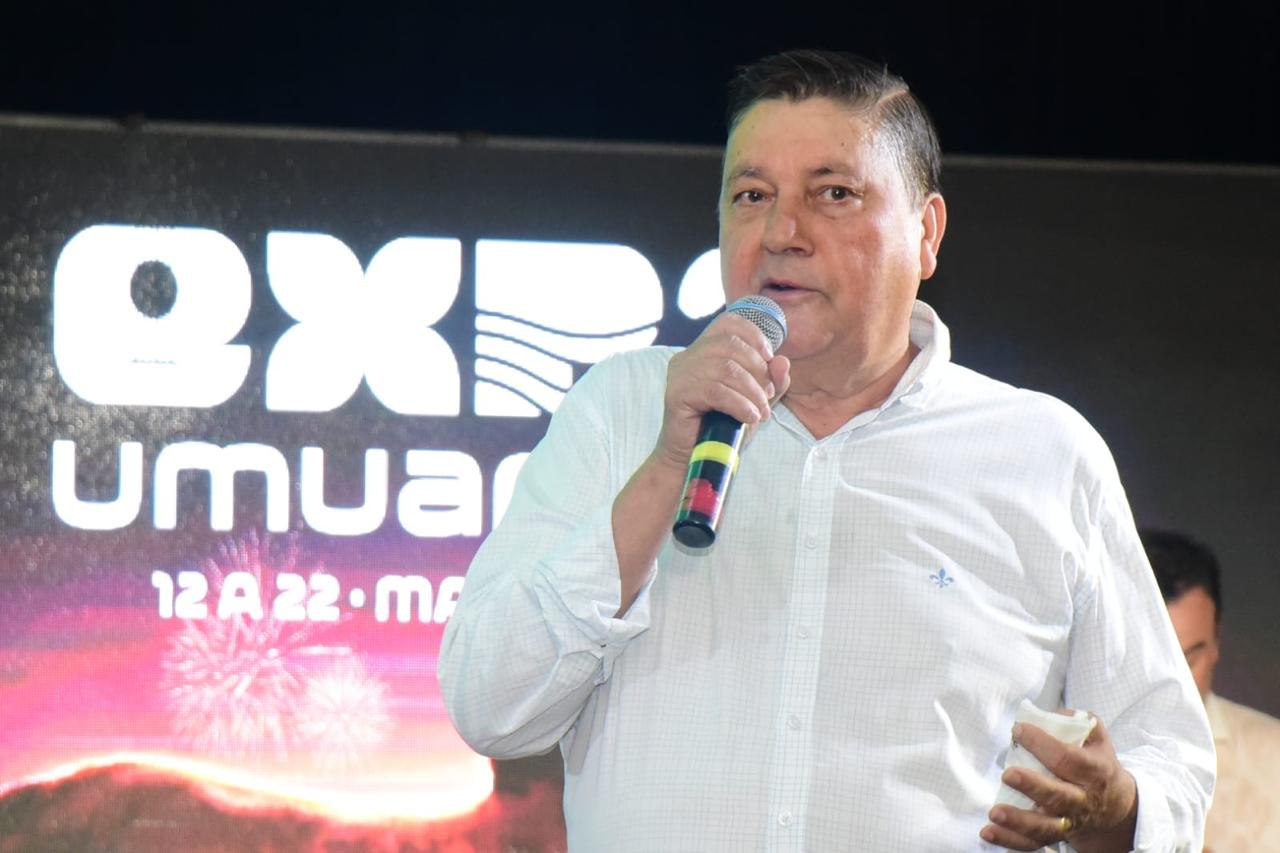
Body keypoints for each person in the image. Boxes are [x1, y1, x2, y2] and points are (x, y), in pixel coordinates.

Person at [439, 49, 1214, 851]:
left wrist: (1116, 808)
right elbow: (491, 708)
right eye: (752, 195)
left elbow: (1174, 765)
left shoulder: (1044, 453)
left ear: (926, 232)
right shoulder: (624, 407)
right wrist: (666, 465)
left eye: (833, 193)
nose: (781, 233)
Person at [1142, 529, 1280, 851]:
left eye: (1190, 659)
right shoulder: (1062, 759)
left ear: (1217, 638)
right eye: (1155, 663)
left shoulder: (1275, 759)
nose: (1176, 687)